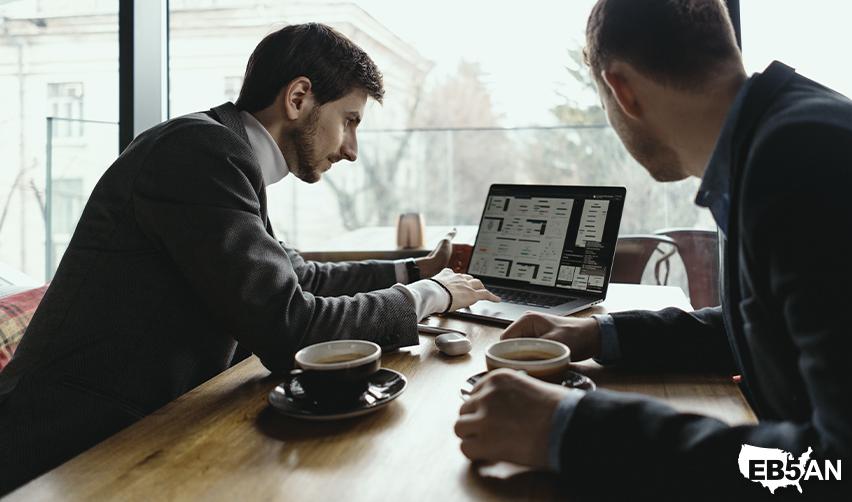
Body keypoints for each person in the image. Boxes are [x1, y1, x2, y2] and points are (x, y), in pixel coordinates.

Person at [0, 23, 498, 493]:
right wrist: (427, 296)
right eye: (349, 121)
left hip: (141, 429)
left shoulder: (223, 151)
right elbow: (291, 327)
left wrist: (416, 269)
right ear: (299, 98)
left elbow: (297, 277)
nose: (351, 150)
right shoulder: (200, 153)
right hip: (68, 449)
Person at [455, 0, 851, 499]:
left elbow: (833, 470)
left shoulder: (801, 162)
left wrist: (573, 429)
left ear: (621, 91)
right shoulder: (775, 140)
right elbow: (755, 327)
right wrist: (595, 335)